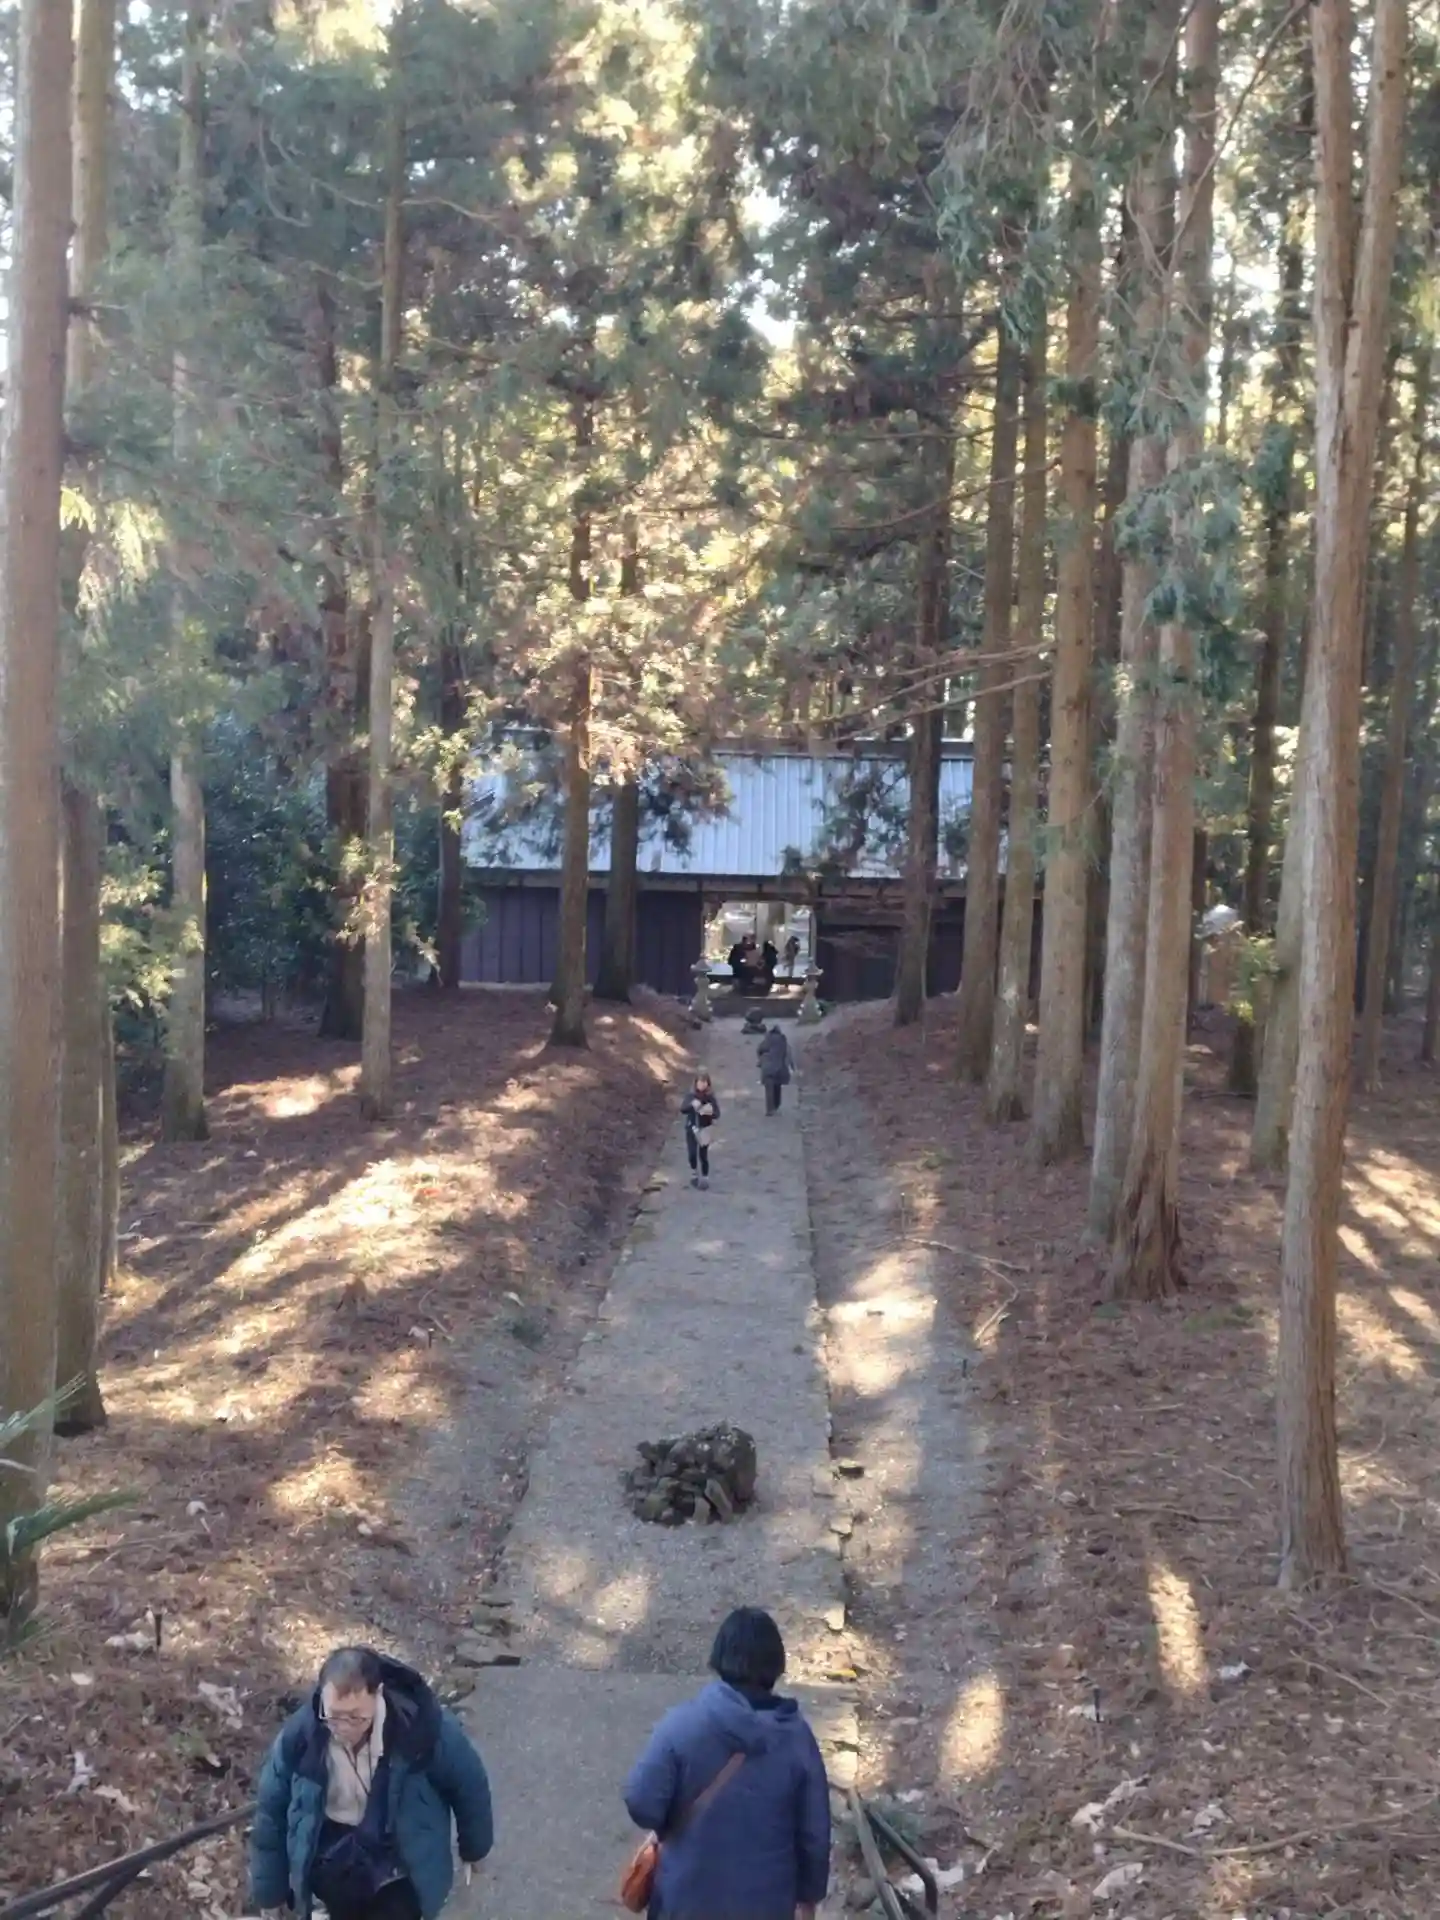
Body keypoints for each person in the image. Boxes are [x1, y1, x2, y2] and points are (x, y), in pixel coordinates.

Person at [250, 1645, 493, 1920]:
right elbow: (271, 1814)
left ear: (378, 1695)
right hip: (334, 1858)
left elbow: (469, 1785)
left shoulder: (420, 1729)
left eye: (356, 1717)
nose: (344, 1728)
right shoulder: (300, 1739)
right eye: (334, 1716)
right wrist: (270, 1892)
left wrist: (475, 1848)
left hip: (398, 1857)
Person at [623, 1607, 830, 1920]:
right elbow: (814, 1834)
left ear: (719, 1658)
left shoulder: (681, 1725)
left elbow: (642, 1802)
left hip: (685, 1898)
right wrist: (809, 1897)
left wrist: (668, 1827)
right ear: (776, 1664)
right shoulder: (797, 1739)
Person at [682, 1071, 719, 1189]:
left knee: (703, 1154)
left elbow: (717, 1114)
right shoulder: (691, 1096)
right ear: (696, 1083)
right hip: (692, 1128)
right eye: (700, 1082)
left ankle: (705, 1176)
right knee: (692, 1153)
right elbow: (683, 1109)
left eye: (704, 1082)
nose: (702, 1085)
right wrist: (692, 1105)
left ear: (708, 1084)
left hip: (705, 1129)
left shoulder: (710, 1098)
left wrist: (708, 1111)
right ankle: (694, 1172)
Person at [757, 1024, 793, 1116]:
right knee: (777, 1087)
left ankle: (770, 1109)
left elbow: (760, 1050)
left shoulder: (767, 1039)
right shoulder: (783, 1040)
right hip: (779, 1067)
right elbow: (788, 1054)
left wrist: (760, 1061)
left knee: (769, 1089)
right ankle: (776, 1105)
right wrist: (792, 1067)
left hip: (767, 1067)